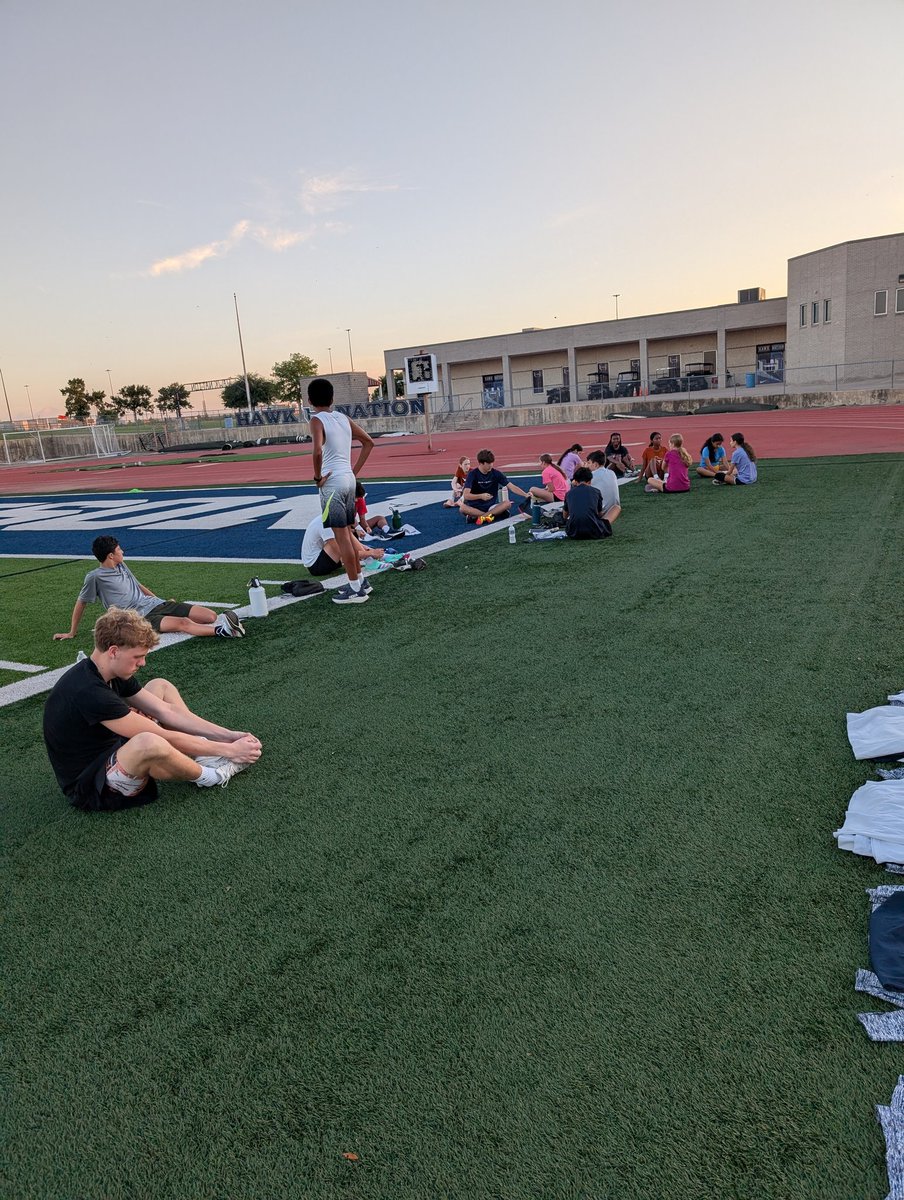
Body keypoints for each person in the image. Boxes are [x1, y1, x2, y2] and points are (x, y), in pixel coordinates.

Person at [43, 607, 263, 811]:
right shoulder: (89, 691)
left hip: (112, 747)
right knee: (149, 741)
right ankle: (211, 776)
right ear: (113, 651)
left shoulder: (109, 672)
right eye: (138, 657)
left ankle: (202, 753)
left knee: (160, 686)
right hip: (91, 785)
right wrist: (230, 751)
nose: (142, 663)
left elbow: (167, 712)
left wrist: (230, 735)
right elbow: (163, 735)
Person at [53, 535, 244, 641]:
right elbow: (81, 603)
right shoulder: (94, 577)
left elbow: (138, 585)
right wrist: (72, 632)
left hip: (155, 604)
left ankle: (221, 624)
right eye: (119, 549)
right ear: (111, 555)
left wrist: (160, 599)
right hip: (139, 617)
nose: (122, 551)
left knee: (209, 616)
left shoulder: (121, 565)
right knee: (183, 623)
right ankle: (224, 631)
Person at [308, 377, 375, 605]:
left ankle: (355, 587)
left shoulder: (317, 420)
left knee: (342, 537)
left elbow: (317, 451)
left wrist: (318, 478)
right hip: (347, 479)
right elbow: (368, 442)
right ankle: (361, 581)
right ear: (332, 398)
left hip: (332, 483)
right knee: (347, 532)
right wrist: (353, 471)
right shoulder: (343, 418)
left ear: (309, 400)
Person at [302, 514, 386, 589]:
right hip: (316, 566)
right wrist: (370, 553)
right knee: (343, 540)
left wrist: (369, 550)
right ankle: (368, 561)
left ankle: (371, 558)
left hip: (320, 558)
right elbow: (342, 552)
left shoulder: (331, 518)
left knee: (346, 534)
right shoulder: (326, 523)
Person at [460, 448, 530, 524]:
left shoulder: (496, 473)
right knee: (462, 508)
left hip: (491, 507)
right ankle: (492, 515)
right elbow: (466, 495)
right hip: (475, 507)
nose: (491, 465)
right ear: (481, 463)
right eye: (488, 463)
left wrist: (525, 494)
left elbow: (511, 486)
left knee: (507, 503)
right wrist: (481, 496)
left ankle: (480, 517)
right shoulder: (472, 474)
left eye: (492, 463)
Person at [563, 467, 613, 540]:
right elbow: (599, 514)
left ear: (576, 481)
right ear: (590, 481)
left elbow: (565, 516)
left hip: (573, 532)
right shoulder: (596, 491)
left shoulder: (569, 493)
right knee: (616, 508)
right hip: (594, 530)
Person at [584, 451, 623, 523]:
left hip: (600, 512)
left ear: (595, 464)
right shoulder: (612, 473)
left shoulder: (591, 476)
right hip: (612, 511)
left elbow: (576, 486)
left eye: (589, 463)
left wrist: (583, 470)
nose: (587, 465)